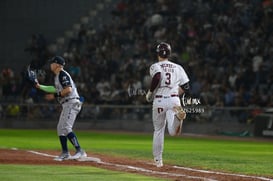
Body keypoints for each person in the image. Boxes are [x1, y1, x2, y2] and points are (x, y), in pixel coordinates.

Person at [146, 42, 190, 167]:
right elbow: (186, 86)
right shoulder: (178, 67)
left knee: (158, 130)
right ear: (169, 54)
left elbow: (157, 76)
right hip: (174, 100)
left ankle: (158, 161)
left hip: (159, 100)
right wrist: (175, 93)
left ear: (157, 53)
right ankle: (178, 117)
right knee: (173, 132)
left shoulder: (155, 66)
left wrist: (150, 92)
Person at [35, 56, 87, 161]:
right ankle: (65, 153)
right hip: (67, 104)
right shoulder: (58, 76)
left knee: (66, 128)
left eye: (52, 63)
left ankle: (80, 151)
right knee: (60, 129)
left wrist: (54, 96)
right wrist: (40, 86)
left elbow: (68, 89)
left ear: (58, 65)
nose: (50, 65)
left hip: (71, 103)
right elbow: (54, 89)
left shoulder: (62, 74)